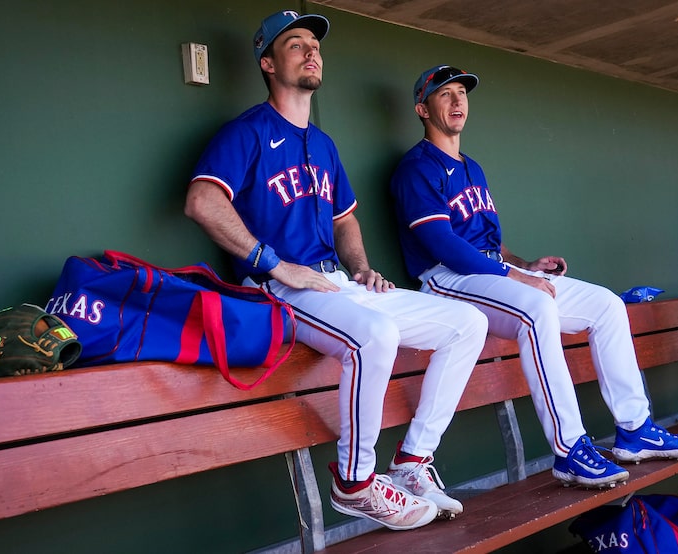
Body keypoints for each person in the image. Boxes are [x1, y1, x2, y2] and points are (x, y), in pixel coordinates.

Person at [185, 12, 490, 530]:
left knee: (468, 324)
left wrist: (364, 269)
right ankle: (355, 482)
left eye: (315, 45)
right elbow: (202, 201)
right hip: (278, 289)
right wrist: (276, 265)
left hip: (337, 283)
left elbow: (345, 216)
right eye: (295, 44)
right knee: (375, 335)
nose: (311, 52)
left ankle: (413, 462)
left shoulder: (322, 144)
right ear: (267, 62)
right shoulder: (248, 132)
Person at [390, 64, 678, 489]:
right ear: (422, 109)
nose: (457, 100)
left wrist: (524, 264)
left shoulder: (472, 168)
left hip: (493, 273)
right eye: (444, 94)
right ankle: (570, 449)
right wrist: (514, 277)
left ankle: (635, 429)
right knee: (538, 305)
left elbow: (488, 241)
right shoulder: (416, 167)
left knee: (607, 305)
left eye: (462, 93)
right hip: (447, 278)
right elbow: (442, 243)